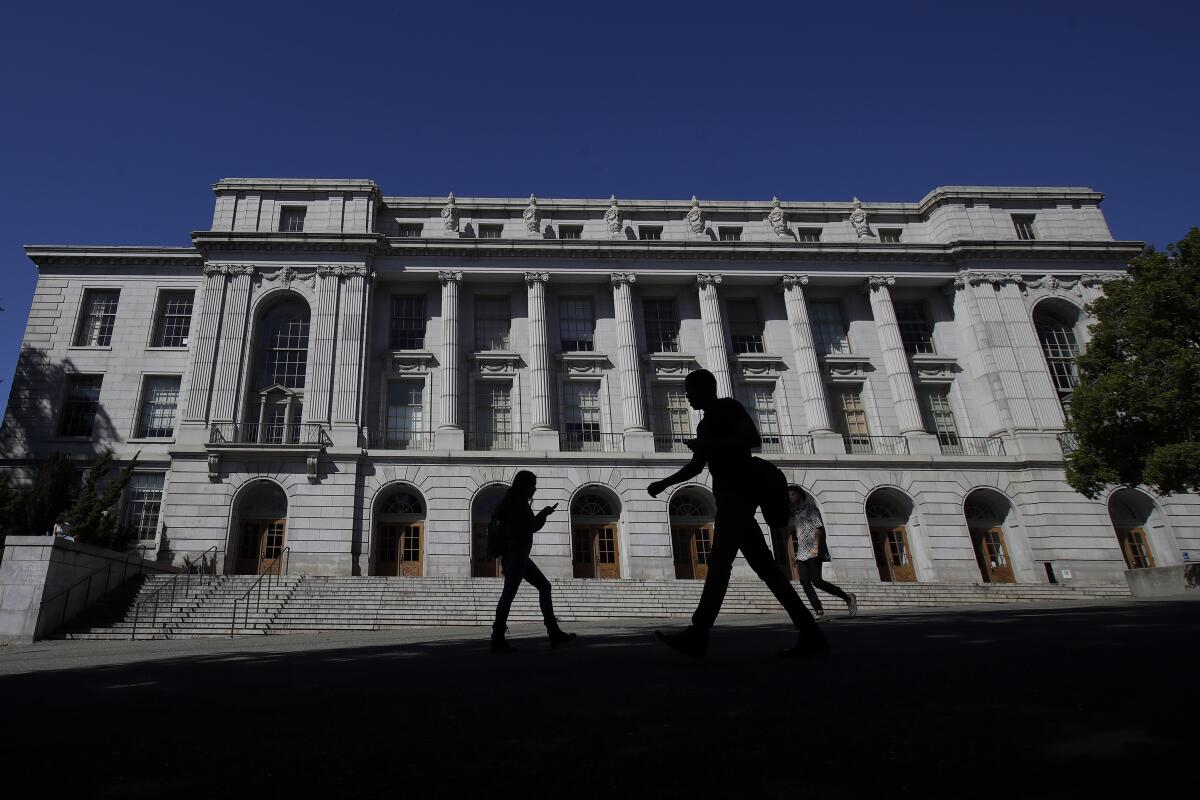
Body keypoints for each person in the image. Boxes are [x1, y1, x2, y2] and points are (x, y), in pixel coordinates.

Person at [648, 369, 829, 659]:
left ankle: (698, 634)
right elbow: (696, 467)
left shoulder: (728, 407)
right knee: (766, 570)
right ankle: (811, 632)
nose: (687, 395)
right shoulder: (705, 426)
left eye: (690, 390)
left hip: (739, 497)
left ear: (705, 388)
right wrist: (663, 483)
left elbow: (752, 438)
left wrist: (710, 445)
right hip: (728, 500)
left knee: (720, 567)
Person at [490, 470, 577, 654]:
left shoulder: (510, 501)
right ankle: (498, 638)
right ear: (525, 485)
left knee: (541, 587)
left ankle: (552, 632)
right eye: (533, 485)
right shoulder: (518, 503)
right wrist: (544, 513)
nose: (535, 489)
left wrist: (542, 514)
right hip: (517, 554)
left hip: (517, 554)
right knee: (510, 594)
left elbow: (527, 526)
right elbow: (532, 526)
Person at [788, 487, 857, 620]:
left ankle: (847, 597)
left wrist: (816, 547)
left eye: (793, 494)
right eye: (789, 495)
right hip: (802, 552)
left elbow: (819, 528)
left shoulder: (811, 508)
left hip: (813, 550)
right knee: (805, 583)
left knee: (817, 581)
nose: (790, 497)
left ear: (800, 495)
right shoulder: (796, 512)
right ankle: (819, 611)